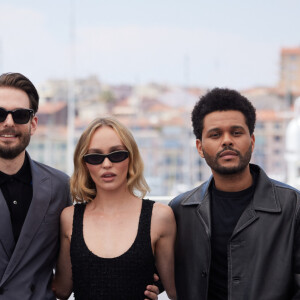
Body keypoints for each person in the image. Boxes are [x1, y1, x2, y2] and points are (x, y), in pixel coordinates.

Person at [169, 88, 300, 299]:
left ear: (252, 141)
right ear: (200, 148)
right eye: (215, 134)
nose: (227, 140)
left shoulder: (293, 206)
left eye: (236, 132)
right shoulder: (180, 210)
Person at [52, 117, 177, 300]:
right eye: (95, 157)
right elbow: (62, 290)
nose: (107, 164)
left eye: (117, 154)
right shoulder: (69, 218)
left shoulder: (160, 217)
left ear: (131, 157)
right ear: (85, 165)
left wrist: (157, 286)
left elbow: (175, 290)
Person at [0, 72, 71, 299]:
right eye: (0, 114)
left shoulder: (60, 187)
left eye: (20, 115)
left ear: (33, 124)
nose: (8, 122)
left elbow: (74, 260)